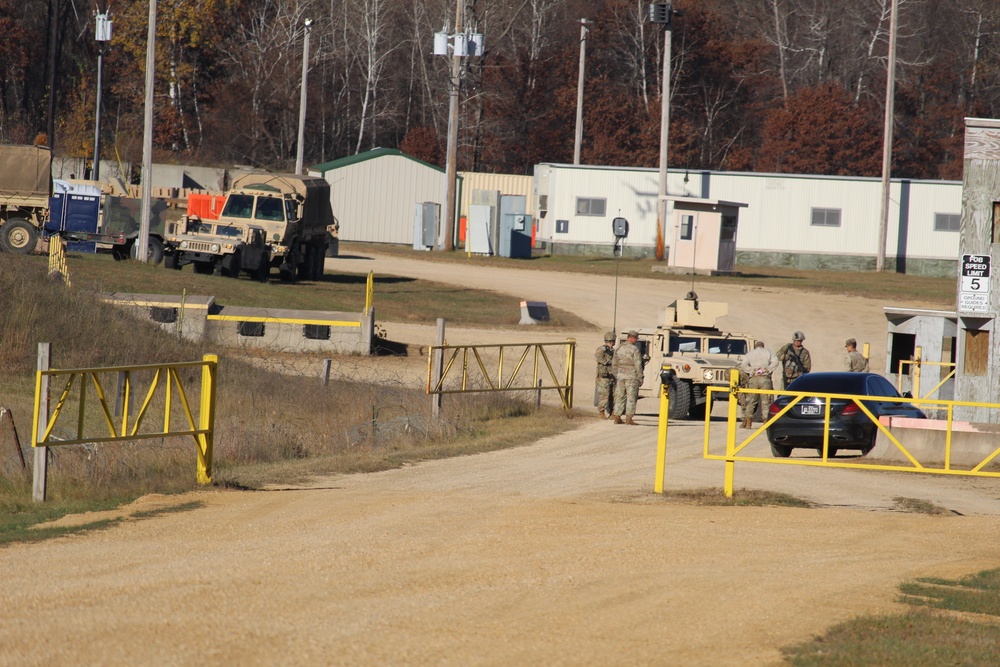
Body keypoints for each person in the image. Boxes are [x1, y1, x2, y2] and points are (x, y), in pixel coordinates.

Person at [738, 341, 779, 428]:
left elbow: (743, 364)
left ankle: (748, 423)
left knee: (751, 401)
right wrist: (767, 369)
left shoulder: (750, 353)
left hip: (753, 379)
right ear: (763, 346)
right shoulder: (768, 352)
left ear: (755, 346)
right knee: (766, 401)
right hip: (765, 378)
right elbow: (775, 362)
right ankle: (765, 422)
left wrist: (752, 370)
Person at [611, 330, 643, 425]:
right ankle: (629, 418)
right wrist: (640, 377)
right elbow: (638, 364)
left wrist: (616, 374)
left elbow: (614, 363)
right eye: (636, 338)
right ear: (632, 338)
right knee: (631, 397)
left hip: (620, 376)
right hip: (632, 377)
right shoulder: (634, 349)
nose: (636, 340)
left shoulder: (618, 348)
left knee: (620, 396)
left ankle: (617, 416)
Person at [594, 332, 616, 418]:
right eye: (613, 341)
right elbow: (599, 358)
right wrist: (609, 362)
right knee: (604, 394)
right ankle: (601, 412)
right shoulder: (601, 349)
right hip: (603, 376)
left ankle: (612, 413)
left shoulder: (613, 350)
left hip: (612, 375)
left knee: (613, 395)